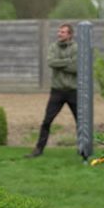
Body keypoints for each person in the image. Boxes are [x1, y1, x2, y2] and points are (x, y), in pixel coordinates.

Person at [27, 23, 79, 159]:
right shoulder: (53, 47)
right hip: (57, 91)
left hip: (73, 91)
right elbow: (51, 62)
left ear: (70, 34)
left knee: (81, 123)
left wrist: (60, 64)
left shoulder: (76, 48)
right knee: (47, 121)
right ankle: (39, 149)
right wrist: (68, 61)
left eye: (62, 32)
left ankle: (83, 150)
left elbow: (77, 67)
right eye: (59, 31)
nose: (59, 34)